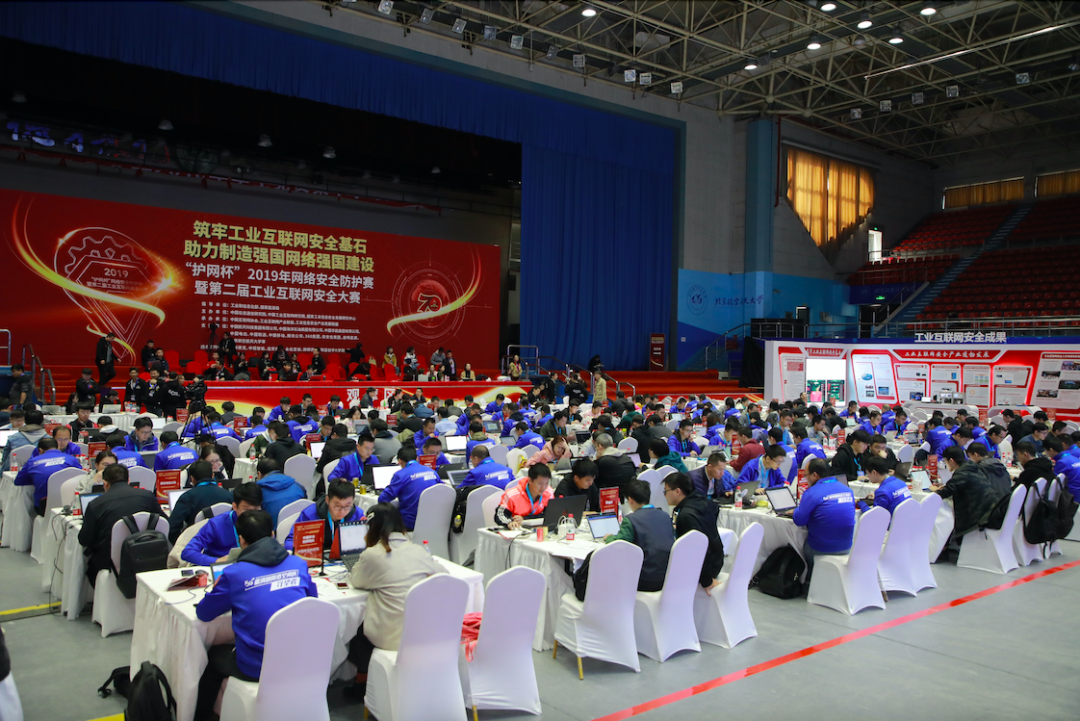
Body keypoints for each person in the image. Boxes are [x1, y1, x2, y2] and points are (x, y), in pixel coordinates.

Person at [194, 509, 317, 720]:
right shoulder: (298, 563)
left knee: (211, 658)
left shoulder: (235, 574)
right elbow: (312, 601)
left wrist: (219, 590)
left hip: (256, 666)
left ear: (241, 540)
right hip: (299, 659)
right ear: (273, 534)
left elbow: (204, 613)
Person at [343, 503, 445, 699]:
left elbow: (357, 580)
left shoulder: (373, 555)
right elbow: (443, 576)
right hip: (423, 631)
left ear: (372, 528)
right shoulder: (418, 550)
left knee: (356, 626)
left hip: (392, 636)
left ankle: (362, 681)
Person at [77, 464, 161, 586]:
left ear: (105, 483)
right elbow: (164, 522)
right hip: (148, 555)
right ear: (128, 480)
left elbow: (84, 539)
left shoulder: (95, 504)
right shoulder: (148, 496)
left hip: (109, 562)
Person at [584, 479, 672, 594]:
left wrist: (609, 537)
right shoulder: (665, 516)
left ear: (630, 500)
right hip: (667, 576)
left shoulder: (632, 520)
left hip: (643, 579)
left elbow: (618, 544)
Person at [792, 462, 856, 582]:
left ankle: (806, 582)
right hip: (846, 546)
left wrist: (796, 510)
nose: (806, 478)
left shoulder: (812, 492)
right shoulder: (847, 490)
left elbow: (799, 521)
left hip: (821, 547)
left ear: (814, 475)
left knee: (796, 545)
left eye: (806, 475)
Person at [663, 473, 724, 593]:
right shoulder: (704, 501)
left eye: (666, 491)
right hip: (717, 559)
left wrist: (706, 580)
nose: (664, 495)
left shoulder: (686, 516)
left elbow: (698, 548)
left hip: (705, 570)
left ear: (677, 491)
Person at [931, 445, 1002, 543]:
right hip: (990, 511)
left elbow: (945, 492)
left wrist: (934, 490)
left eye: (945, 461)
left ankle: (943, 543)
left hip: (980, 516)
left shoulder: (962, 472)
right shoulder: (972, 467)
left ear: (951, 461)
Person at [181, 483, 264, 565]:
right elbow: (187, 552)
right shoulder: (216, 524)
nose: (252, 515)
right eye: (246, 510)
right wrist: (216, 561)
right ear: (235, 506)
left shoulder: (262, 521)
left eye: (256, 510)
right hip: (221, 566)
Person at [284, 479, 366, 554]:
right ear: (327, 500)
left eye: (347, 506)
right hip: (316, 557)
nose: (342, 511)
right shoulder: (310, 515)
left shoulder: (357, 514)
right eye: (337, 506)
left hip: (346, 556)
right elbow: (291, 540)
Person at [167, 460, 234, 542]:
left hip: (198, 544)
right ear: (213, 475)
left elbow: (172, 527)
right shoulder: (229, 495)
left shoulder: (188, 497)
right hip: (227, 542)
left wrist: (182, 544)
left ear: (192, 478)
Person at [14, 438, 82, 515]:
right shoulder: (72, 459)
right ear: (58, 447)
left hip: (44, 507)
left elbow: (18, 481)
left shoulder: (32, 462)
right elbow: (81, 477)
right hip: (72, 505)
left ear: (40, 450)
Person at [376, 448, 438, 530]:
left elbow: (382, 499)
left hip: (410, 522)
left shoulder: (400, 475)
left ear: (400, 461)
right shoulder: (432, 472)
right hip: (433, 520)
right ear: (417, 458)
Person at [252, 458, 305, 525]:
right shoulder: (299, 486)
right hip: (297, 527)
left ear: (259, 474)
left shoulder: (257, 490)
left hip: (270, 529)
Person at [593, 433, 637, 501]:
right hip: (628, 495)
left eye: (596, 447)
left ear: (600, 446)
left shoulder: (602, 461)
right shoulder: (626, 458)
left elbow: (593, 477)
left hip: (609, 497)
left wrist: (596, 460)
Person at [1044, 434, 1080, 499]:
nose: (1046, 453)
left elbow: (1053, 482)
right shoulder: (1072, 457)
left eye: (1046, 451)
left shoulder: (1062, 462)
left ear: (1051, 450)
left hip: (1072, 494)